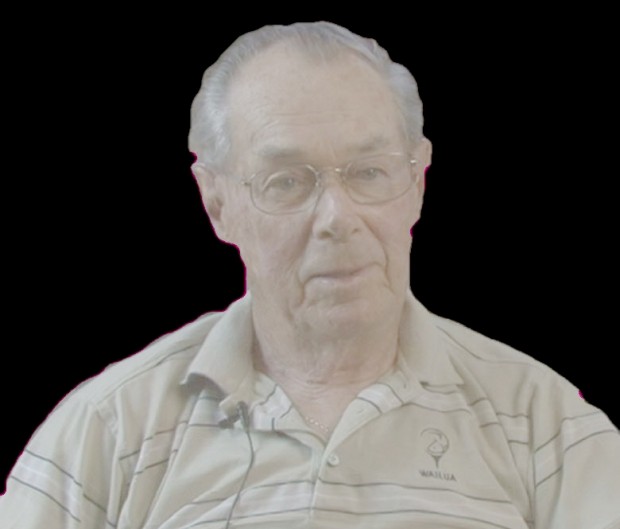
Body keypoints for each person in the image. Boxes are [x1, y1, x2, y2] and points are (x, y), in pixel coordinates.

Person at [1, 21, 618, 529]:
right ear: (218, 205)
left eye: (369, 172)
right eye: (287, 182)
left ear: (418, 183)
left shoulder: (547, 430)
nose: (336, 219)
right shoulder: (104, 433)